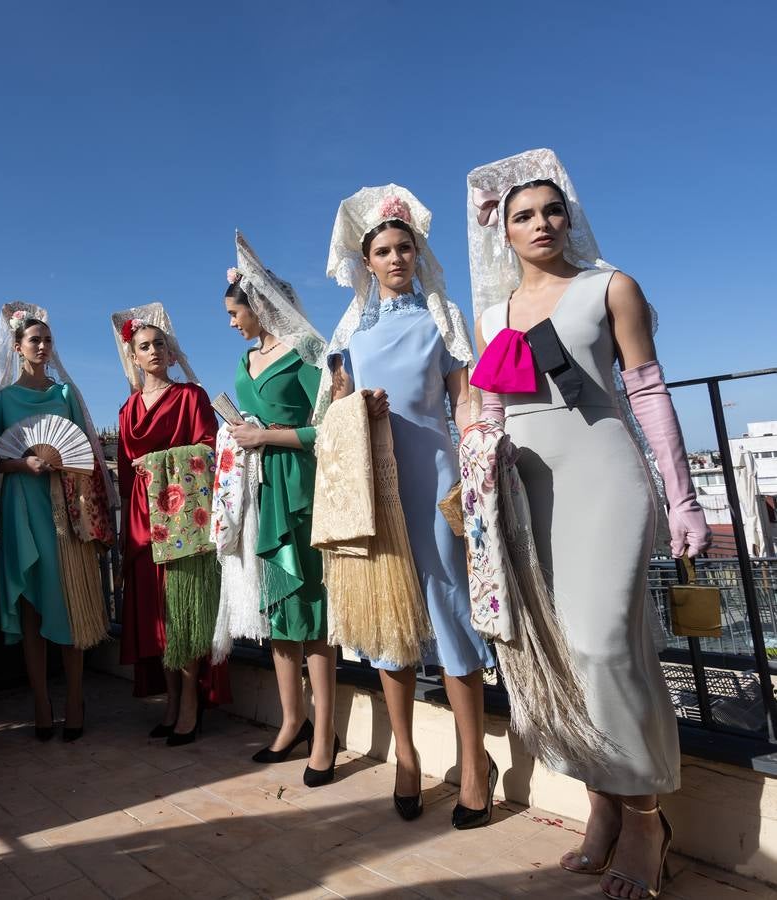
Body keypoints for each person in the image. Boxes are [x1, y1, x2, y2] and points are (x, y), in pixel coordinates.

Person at [467, 148, 710, 899]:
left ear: (568, 217)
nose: (541, 224)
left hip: (605, 479)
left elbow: (648, 392)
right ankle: (600, 811)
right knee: (560, 656)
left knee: (608, 647)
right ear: (501, 233)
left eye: (551, 210)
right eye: (523, 216)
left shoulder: (611, 288)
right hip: (527, 493)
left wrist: (685, 499)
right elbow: (489, 415)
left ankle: (645, 819)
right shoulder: (492, 317)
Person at [325, 186, 497, 825]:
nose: (396, 258)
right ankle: (406, 758)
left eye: (405, 248)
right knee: (389, 619)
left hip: (436, 481)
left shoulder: (442, 317)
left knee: (451, 612)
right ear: (365, 261)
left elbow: (467, 406)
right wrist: (352, 409)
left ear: (417, 252)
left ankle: (475, 764)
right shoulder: (349, 332)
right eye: (384, 251)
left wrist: (476, 478)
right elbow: (334, 413)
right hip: (377, 488)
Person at [224, 232, 339, 787]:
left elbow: (334, 427)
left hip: (301, 486)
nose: (231, 322)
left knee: (312, 611)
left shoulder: (309, 352)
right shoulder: (246, 358)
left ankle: (324, 733)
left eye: (234, 311)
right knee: (279, 614)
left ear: (259, 304)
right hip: (261, 489)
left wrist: (274, 437)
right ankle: (292, 720)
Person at [0, 303, 116, 742]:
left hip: (65, 511)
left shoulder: (65, 396)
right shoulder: (0, 400)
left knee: (70, 602)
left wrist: (62, 467)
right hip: (22, 510)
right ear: (18, 347)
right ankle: (41, 702)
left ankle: (75, 699)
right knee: (31, 606)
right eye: (34, 340)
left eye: (47, 340)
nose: (42, 347)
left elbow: (89, 460)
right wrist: (23, 463)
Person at [111, 303, 230, 744]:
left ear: (171, 350)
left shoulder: (191, 397)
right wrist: (126, 538)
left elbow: (207, 448)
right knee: (161, 618)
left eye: (160, 343)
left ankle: (190, 705)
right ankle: (172, 701)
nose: (155, 350)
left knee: (186, 612)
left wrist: (157, 462)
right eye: (145, 346)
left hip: (182, 521)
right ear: (134, 358)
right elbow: (125, 476)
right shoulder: (126, 411)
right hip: (143, 524)